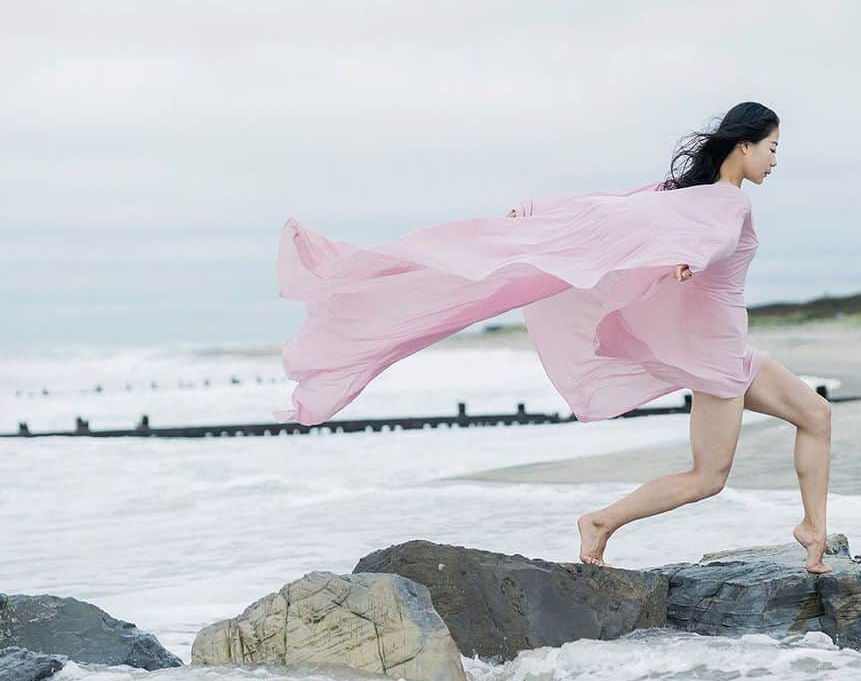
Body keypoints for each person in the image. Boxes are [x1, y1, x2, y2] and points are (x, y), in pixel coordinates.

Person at [275, 101, 832, 575]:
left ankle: (812, 528)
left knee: (816, 416)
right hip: (716, 356)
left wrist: (544, 211)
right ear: (743, 147)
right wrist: (687, 256)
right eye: (772, 147)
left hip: (728, 348)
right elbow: (693, 234)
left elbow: (615, 207)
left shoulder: (684, 195)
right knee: (708, 476)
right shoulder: (727, 202)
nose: (775, 160)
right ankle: (601, 521)